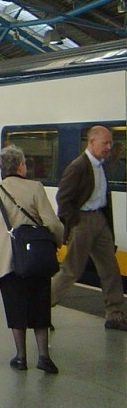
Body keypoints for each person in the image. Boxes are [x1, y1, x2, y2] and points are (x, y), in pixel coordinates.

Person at [0, 146, 63, 373]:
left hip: (7, 263)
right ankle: (44, 356)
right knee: (40, 307)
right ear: (21, 166)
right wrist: (58, 241)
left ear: (2, 169)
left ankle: (21, 357)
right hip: (36, 259)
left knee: (16, 309)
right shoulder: (35, 188)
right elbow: (52, 224)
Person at [50, 126, 127, 331]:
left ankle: (115, 313)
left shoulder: (101, 165)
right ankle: (42, 307)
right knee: (71, 270)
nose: (109, 147)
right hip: (82, 221)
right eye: (105, 143)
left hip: (99, 219)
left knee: (110, 268)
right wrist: (73, 222)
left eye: (110, 143)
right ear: (91, 142)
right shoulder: (78, 166)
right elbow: (63, 198)